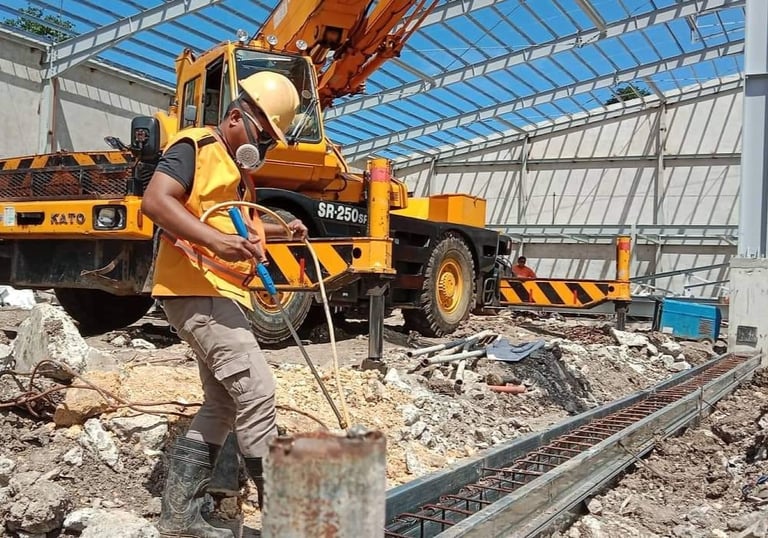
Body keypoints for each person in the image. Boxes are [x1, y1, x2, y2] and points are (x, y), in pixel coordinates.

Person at [141, 71, 307, 538]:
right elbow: (156, 202)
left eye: (272, 141)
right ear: (236, 116)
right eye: (263, 135)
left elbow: (238, 229)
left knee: (221, 405)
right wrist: (216, 239)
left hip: (216, 292)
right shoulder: (195, 147)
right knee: (257, 393)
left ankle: (180, 519)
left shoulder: (237, 175)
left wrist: (282, 230)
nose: (266, 148)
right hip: (196, 290)